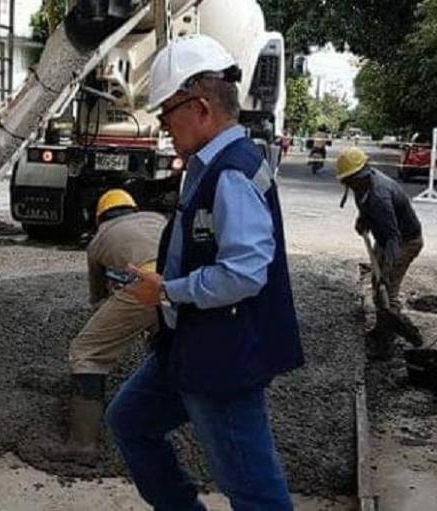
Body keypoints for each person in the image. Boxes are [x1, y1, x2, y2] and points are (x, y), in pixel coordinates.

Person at [105, 35, 304, 510]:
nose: (164, 127)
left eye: (166, 114)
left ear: (200, 107)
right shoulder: (206, 165)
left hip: (224, 354)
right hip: (191, 345)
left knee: (253, 491)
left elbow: (244, 273)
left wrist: (169, 292)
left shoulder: (232, 172)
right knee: (130, 421)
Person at [46, 189, 166, 463]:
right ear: (134, 208)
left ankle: (81, 444)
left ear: (100, 217)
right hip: (180, 285)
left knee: (87, 351)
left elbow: (99, 296)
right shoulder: (157, 219)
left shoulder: (99, 240)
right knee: (165, 347)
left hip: (145, 284)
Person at [336, 147, 423, 355]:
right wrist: (362, 219)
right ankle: (381, 329)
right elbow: (365, 207)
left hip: (405, 242)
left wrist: (386, 269)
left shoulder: (379, 195)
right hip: (385, 239)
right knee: (377, 285)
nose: (346, 184)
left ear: (361, 175)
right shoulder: (362, 185)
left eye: (349, 180)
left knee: (387, 290)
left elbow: (395, 236)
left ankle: (386, 345)